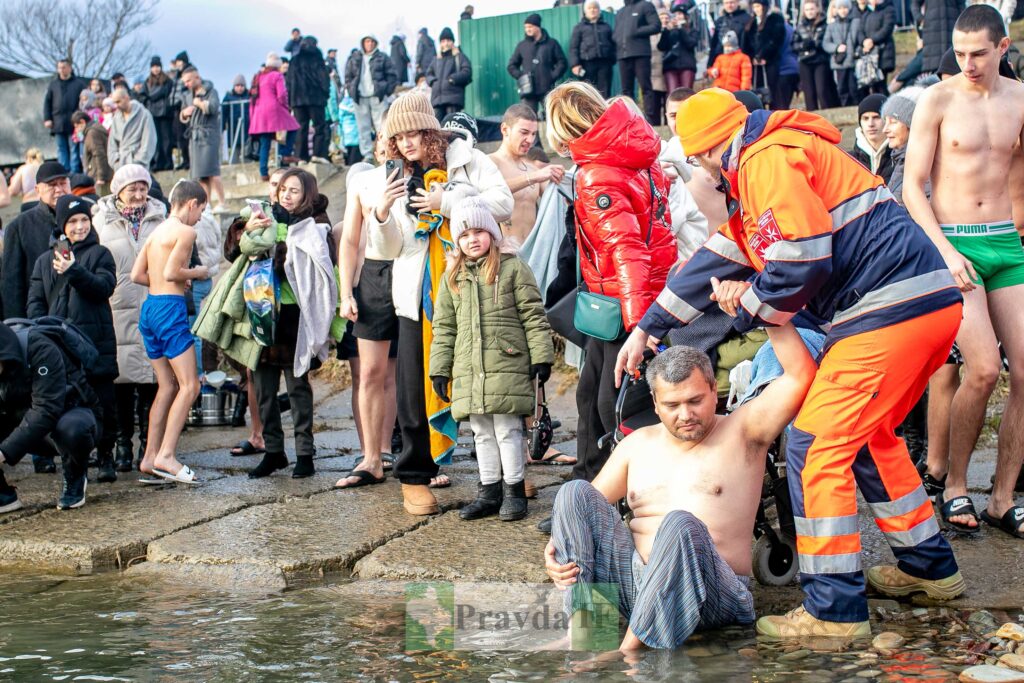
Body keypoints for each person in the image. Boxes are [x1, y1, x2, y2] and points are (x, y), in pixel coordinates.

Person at [617, 87, 966, 636]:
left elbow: (802, 259)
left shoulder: (762, 161)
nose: (705, 175)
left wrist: (751, 302)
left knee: (814, 444)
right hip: (917, 305)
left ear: (708, 152)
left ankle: (834, 614)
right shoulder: (771, 160)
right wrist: (647, 328)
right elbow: (713, 260)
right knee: (871, 440)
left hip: (888, 311)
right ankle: (932, 572)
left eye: (697, 160)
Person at [546, 323, 814, 650]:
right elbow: (584, 510)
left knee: (679, 522)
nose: (685, 414)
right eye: (672, 405)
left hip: (714, 595)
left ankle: (630, 651)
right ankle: (584, 634)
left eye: (695, 400)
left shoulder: (744, 431)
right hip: (638, 587)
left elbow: (800, 375)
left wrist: (771, 311)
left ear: (715, 390)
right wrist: (558, 545)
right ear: (656, 404)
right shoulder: (637, 444)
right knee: (572, 493)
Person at [903, 5, 1024, 539]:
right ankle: (954, 485)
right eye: (959, 53)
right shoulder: (938, 98)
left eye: (978, 53)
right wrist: (944, 253)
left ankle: (1001, 497)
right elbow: (912, 186)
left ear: (1002, 48)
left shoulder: (1020, 101)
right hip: (952, 241)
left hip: (1005, 241)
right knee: (981, 369)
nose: (967, 63)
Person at [365, 92, 513, 515]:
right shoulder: (390, 176)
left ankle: (508, 472)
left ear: (430, 130)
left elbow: (503, 203)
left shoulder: (468, 159)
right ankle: (415, 475)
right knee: (415, 383)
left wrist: (446, 202)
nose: (407, 142)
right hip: (418, 291)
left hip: (475, 285)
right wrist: (380, 214)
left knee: (490, 375)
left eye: (414, 132)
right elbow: (390, 248)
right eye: (399, 136)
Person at [545, 82, 676, 488]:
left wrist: (642, 327)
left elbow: (625, 249)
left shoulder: (595, 173)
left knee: (610, 404)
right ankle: (586, 487)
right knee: (591, 396)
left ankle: (612, 494)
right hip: (630, 297)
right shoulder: (634, 151)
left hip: (623, 304)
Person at [429, 197, 554, 521]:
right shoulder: (452, 277)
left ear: (492, 233)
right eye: (465, 234)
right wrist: (440, 369)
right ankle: (488, 491)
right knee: (481, 432)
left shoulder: (512, 267)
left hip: (507, 363)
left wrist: (541, 356)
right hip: (469, 368)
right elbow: (444, 326)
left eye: (479, 232)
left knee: (508, 430)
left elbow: (533, 315)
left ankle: (514, 490)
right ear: (457, 240)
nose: (473, 239)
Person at [243, 169, 336, 481]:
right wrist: (251, 231)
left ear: (307, 194)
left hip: (296, 317)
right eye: (283, 189)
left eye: (294, 190)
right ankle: (273, 451)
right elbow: (235, 252)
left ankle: (305, 453)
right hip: (263, 313)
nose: (286, 195)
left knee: (298, 388)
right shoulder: (262, 216)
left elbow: (323, 265)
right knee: (264, 389)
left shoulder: (316, 224)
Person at [27, 194, 118, 484]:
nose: (79, 227)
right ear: (62, 225)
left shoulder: (100, 254)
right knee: (67, 404)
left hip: (96, 342)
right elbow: (35, 304)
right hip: (59, 350)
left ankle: (106, 455)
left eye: (84, 220)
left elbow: (104, 287)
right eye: (73, 221)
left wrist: (74, 270)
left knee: (103, 402)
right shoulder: (44, 261)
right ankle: (75, 459)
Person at [129, 180, 207, 485]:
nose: (200, 216)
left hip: (150, 309)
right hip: (170, 312)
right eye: (201, 209)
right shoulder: (186, 232)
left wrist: (171, 283)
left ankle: (149, 458)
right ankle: (167, 456)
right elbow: (172, 272)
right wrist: (195, 273)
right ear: (191, 204)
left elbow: (137, 275)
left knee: (166, 387)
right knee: (190, 386)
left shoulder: (156, 231)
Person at [93, 164, 167, 473]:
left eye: (142, 187)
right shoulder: (101, 222)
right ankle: (123, 445)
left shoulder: (162, 219)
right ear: (118, 191)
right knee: (121, 384)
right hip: (116, 307)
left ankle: (147, 447)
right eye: (131, 189)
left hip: (154, 306)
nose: (138, 194)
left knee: (152, 382)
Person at [334, 156, 400, 489]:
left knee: (403, 373)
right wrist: (346, 293)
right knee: (367, 374)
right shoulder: (359, 194)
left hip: (408, 274)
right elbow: (347, 243)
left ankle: (393, 451)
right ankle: (370, 453)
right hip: (368, 289)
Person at [0, 320, 101, 512]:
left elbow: (46, 409)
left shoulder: (39, 347)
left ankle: (75, 475)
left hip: (70, 416)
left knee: (72, 429)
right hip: (21, 422)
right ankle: (4, 496)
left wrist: (3, 452)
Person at [2, 162, 70, 321]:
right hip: (37, 317)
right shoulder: (19, 227)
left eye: (63, 183)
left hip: (77, 316)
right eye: (52, 185)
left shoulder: (81, 220)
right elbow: (11, 284)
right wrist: (16, 324)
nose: (59, 189)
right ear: (38, 189)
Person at [488, 104, 566, 244]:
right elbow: (490, 191)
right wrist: (533, 178)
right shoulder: (490, 162)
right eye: (524, 132)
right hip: (503, 255)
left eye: (533, 134)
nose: (530, 140)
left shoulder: (534, 170)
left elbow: (558, 200)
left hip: (533, 254)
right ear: (505, 129)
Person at [659, 89, 711, 261]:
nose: (680, 121)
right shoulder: (663, 157)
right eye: (674, 115)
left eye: (686, 114)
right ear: (666, 117)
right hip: (693, 253)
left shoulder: (718, 151)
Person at [345, 35, 400, 163]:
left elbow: (392, 75)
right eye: (367, 41)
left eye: (371, 41)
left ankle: (387, 151)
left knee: (382, 127)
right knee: (362, 127)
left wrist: (386, 90)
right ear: (363, 43)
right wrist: (351, 89)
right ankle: (368, 155)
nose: (369, 44)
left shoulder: (383, 57)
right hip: (360, 97)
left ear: (375, 43)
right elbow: (348, 76)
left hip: (378, 96)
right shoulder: (355, 58)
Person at [249, 53, 300, 181]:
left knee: (265, 142)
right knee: (294, 126)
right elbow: (282, 94)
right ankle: (285, 153)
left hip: (259, 112)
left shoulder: (258, 76)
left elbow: (253, 96)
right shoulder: (277, 75)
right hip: (274, 108)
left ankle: (263, 172)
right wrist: (286, 106)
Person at [179, 66, 225, 209]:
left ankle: (222, 202)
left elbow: (213, 107)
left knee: (213, 171)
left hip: (209, 134)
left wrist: (199, 103)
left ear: (196, 77)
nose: (186, 84)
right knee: (201, 175)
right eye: (184, 82)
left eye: (188, 81)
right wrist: (185, 113)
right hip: (195, 137)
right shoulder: (187, 96)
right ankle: (208, 203)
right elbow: (182, 115)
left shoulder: (211, 91)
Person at [613, 0, 663, 125]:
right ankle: (630, 120)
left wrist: (636, 31)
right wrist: (616, 38)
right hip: (623, 55)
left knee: (646, 87)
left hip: (641, 53)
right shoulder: (620, 12)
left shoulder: (645, 5)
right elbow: (617, 32)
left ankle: (651, 121)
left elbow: (656, 25)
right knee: (626, 90)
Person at [507, 14, 569, 114]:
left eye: (530, 26)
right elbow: (511, 66)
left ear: (538, 26)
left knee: (553, 116)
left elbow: (562, 62)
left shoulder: (552, 43)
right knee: (528, 119)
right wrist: (522, 76)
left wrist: (551, 76)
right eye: (526, 27)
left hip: (547, 89)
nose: (527, 29)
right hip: (528, 91)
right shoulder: (521, 45)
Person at [881, 84, 928, 204]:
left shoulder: (925, 165)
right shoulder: (900, 158)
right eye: (885, 121)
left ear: (913, 124)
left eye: (893, 122)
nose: (885, 129)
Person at [287, 36, 331, 162]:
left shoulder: (294, 60)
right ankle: (319, 154)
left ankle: (301, 156)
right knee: (319, 126)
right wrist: (325, 94)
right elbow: (324, 79)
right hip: (315, 99)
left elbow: (288, 82)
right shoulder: (317, 58)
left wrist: (291, 100)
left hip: (297, 100)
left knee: (301, 127)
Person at [43, 59, 88, 173]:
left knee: (74, 149)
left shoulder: (79, 84)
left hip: (74, 123)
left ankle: (74, 172)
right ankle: (64, 171)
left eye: (64, 67)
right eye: (60, 67)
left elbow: (84, 103)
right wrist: (47, 118)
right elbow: (47, 102)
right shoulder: (53, 85)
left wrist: (79, 119)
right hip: (58, 122)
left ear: (70, 68)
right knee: (61, 148)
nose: (62, 70)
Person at [794, 0, 839, 110]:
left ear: (817, 9)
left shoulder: (824, 24)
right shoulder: (800, 25)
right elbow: (794, 44)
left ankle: (827, 114)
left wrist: (814, 44)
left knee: (822, 90)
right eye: (807, 9)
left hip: (820, 60)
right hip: (805, 61)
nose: (810, 12)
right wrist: (802, 46)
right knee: (809, 92)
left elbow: (824, 41)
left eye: (812, 9)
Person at [743, 0, 786, 108]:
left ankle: (775, 111)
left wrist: (764, 55)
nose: (756, 9)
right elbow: (746, 43)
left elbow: (776, 40)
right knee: (758, 89)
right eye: (754, 7)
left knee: (772, 87)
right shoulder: (751, 22)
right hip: (755, 62)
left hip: (771, 60)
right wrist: (753, 57)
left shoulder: (775, 19)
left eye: (758, 6)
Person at [570, 0, 617, 98]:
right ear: (585, 11)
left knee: (605, 91)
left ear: (599, 10)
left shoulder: (606, 27)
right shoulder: (579, 28)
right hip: (587, 64)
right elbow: (574, 47)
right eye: (590, 8)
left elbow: (614, 44)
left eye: (595, 8)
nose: (592, 10)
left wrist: (612, 58)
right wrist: (575, 64)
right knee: (588, 91)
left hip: (605, 63)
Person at [427, 28, 473, 121]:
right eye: (443, 41)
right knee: (436, 129)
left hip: (453, 99)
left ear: (453, 42)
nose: (446, 43)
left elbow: (467, 71)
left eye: (448, 40)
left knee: (452, 128)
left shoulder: (459, 57)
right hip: (437, 100)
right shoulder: (436, 59)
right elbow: (428, 73)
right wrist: (433, 82)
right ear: (440, 43)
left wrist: (453, 79)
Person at [107, 87, 157, 171]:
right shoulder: (116, 118)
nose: (116, 105)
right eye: (114, 103)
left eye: (118, 101)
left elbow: (149, 141)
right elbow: (112, 143)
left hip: (139, 164)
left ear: (126, 98)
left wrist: (139, 160)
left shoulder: (144, 115)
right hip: (120, 164)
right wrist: (115, 161)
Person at [824, 0, 863, 106]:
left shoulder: (855, 23)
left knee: (853, 87)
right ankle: (845, 105)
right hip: (839, 62)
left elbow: (860, 40)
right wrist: (836, 48)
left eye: (845, 8)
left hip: (852, 61)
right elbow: (826, 43)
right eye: (840, 8)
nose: (843, 11)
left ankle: (856, 105)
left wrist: (858, 51)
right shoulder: (831, 26)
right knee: (841, 88)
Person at [851, 93, 893, 181]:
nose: (870, 124)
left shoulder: (901, 157)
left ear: (888, 120)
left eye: (876, 117)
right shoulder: (849, 159)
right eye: (865, 118)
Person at [914, 0, 966, 73]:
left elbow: (961, 4)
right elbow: (915, 4)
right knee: (934, 71)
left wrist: (962, 23)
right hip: (932, 31)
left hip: (952, 28)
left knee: (953, 68)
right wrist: (920, 19)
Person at [143, 56, 175, 171]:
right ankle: (157, 162)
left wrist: (153, 97)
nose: (156, 69)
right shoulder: (147, 82)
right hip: (153, 113)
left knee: (167, 138)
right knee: (156, 140)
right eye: (153, 67)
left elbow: (166, 93)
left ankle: (168, 162)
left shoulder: (167, 81)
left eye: (157, 66)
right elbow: (144, 96)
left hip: (165, 113)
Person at [658, 4, 699, 91]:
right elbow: (661, 46)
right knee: (672, 93)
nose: (677, 16)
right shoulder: (670, 30)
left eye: (680, 14)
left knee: (686, 93)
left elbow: (691, 44)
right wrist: (666, 31)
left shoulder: (692, 30)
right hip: (670, 66)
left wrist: (681, 29)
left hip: (687, 65)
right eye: (675, 14)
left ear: (685, 16)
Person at [859, 0, 897, 95]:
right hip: (870, 54)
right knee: (873, 86)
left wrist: (872, 40)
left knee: (881, 85)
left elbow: (887, 28)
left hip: (883, 53)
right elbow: (860, 31)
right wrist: (864, 42)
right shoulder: (866, 12)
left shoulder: (889, 9)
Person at [169, 51, 192, 170]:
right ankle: (184, 159)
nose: (177, 64)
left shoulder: (189, 72)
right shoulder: (177, 74)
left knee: (186, 135)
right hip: (177, 109)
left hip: (185, 106)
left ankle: (189, 159)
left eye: (179, 61)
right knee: (180, 136)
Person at [709, 0, 751, 65]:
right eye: (726, 3)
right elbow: (714, 43)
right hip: (721, 60)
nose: (729, 5)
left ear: (737, 3)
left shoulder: (747, 19)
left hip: (740, 60)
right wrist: (710, 63)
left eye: (732, 2)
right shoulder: (720, 21)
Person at [222, 74, 250, 165]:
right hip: (234, 127)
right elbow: (224, 113)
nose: (240, 88)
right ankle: (234, 164)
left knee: (248, 145)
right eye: (237, 86)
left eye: (242, 86)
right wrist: (222, 127)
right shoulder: (228, 97)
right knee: (235, 146)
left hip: (247, 125)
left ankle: (247, 162)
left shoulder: (248, 96)